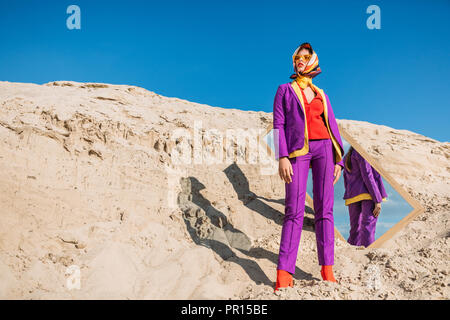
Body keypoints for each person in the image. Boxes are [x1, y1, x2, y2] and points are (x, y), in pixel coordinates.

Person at [273, 43, 345, 292]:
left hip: (325, 149)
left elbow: (332, 125)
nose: (300, 61)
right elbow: (278, 125)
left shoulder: (322, 94)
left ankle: (327, 271)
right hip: (296, 152)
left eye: (306, 57)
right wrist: (282, 156)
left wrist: (339, 159)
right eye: (297, 57)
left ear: (313, 60)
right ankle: (283, 273)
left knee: (325, 211)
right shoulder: (284, 90)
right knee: (294, 210)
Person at [342, 146, 388, 247]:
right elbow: (368, 175)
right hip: (369, 194)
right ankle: (368, 255)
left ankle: (352, 255)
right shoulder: (361, 153)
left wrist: (349, 194)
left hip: (352, 195)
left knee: (355, 229)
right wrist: (377, 199)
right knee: (368, 227)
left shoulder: (346, 157)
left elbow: (346, 179)